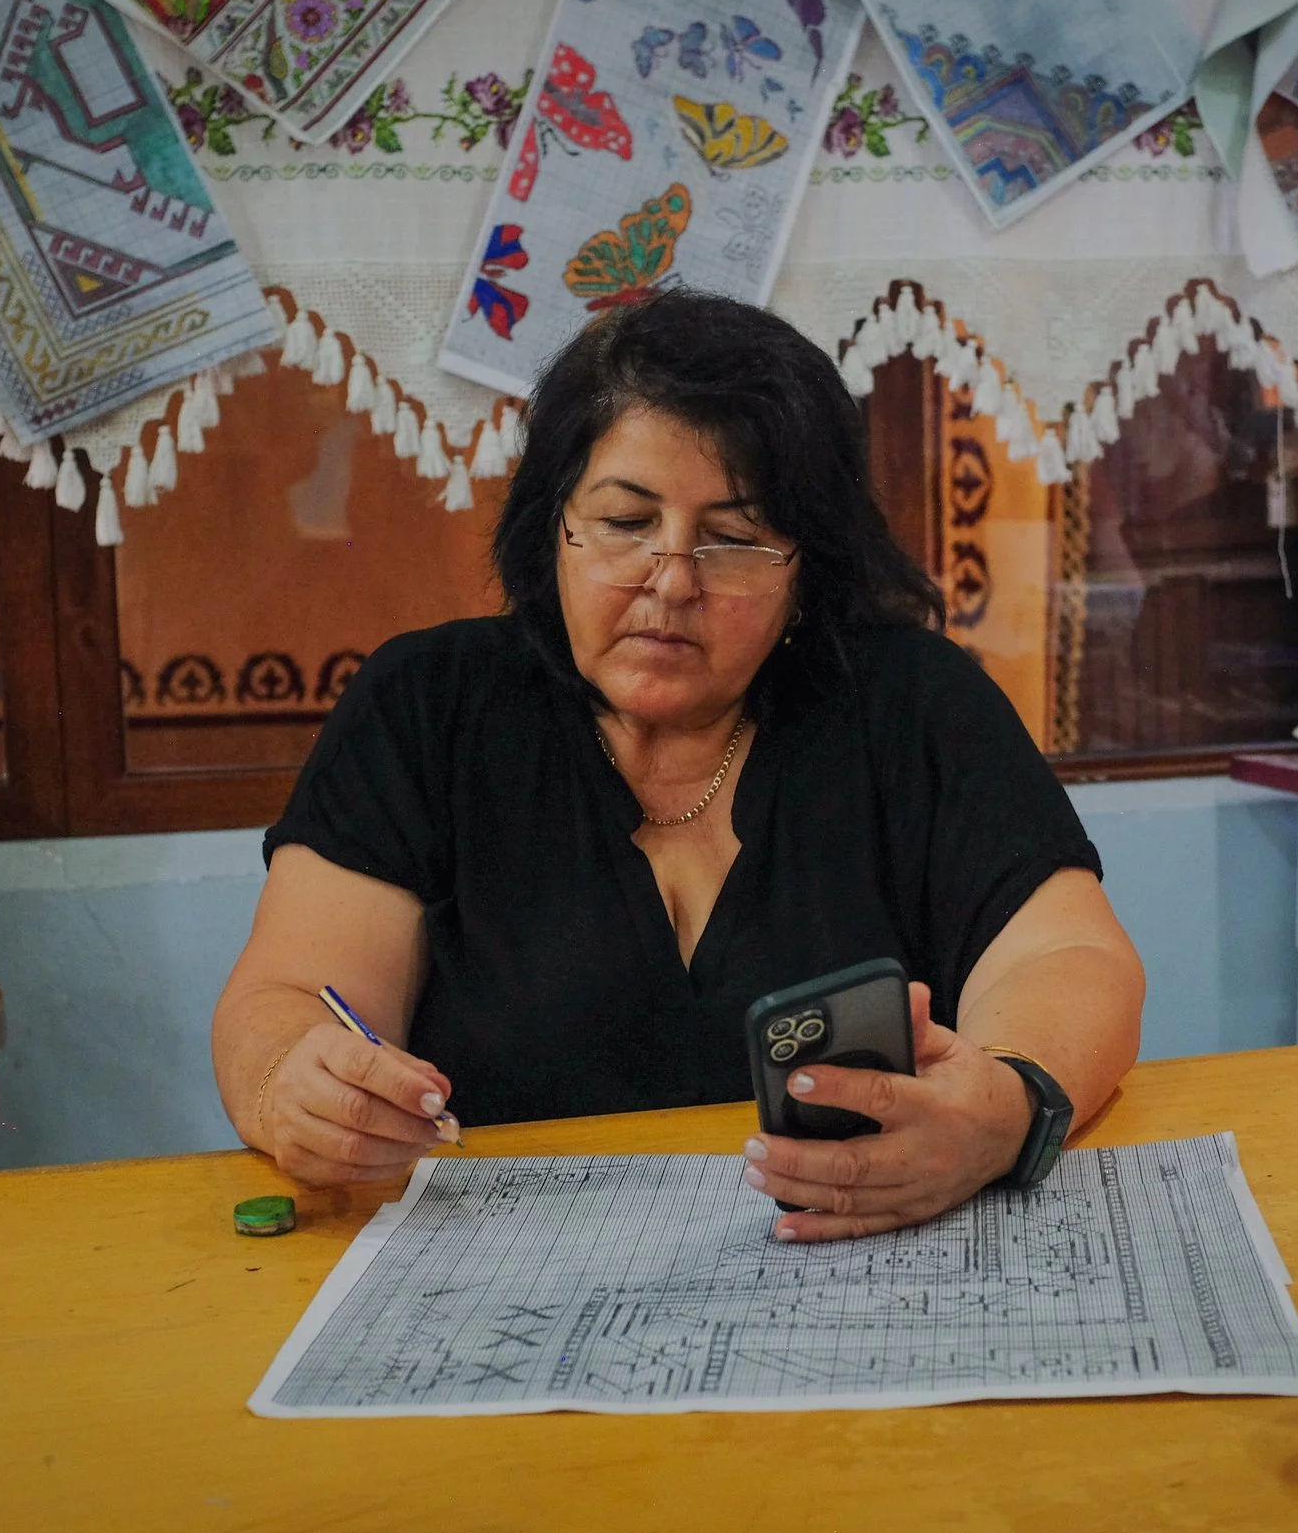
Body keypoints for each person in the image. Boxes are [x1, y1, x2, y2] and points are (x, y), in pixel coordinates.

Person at [212, 292, 1145, 1242]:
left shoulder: (911, 704)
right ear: (554, 528)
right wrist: (291, 1081)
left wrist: (1009, 1108)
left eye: (733, 538)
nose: (671, 580)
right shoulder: (428, 704)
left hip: (854, 1260)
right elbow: (285, 995)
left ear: (807, 569)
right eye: (625, 521)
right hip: (507, 1281)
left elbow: (1070, 957)